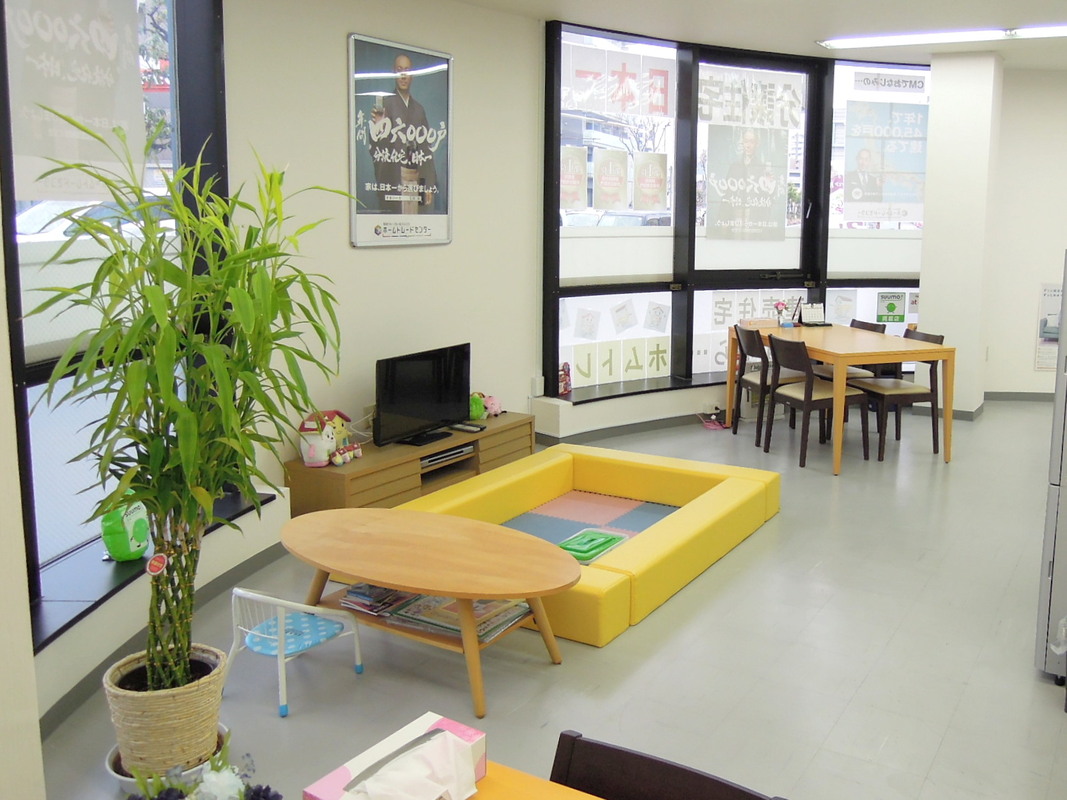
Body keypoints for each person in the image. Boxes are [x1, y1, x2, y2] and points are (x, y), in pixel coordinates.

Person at [370, 53, 439, 213]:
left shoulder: (419, 109)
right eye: (399, 70)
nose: (403, 75)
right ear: (393, 73)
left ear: (412, 75)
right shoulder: (385, 104)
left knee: (416, 219)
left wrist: (428, 185)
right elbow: (376, 149)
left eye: (407, 70)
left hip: (415, 178)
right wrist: (378, 127)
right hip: (393, 177)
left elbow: (426, 150)